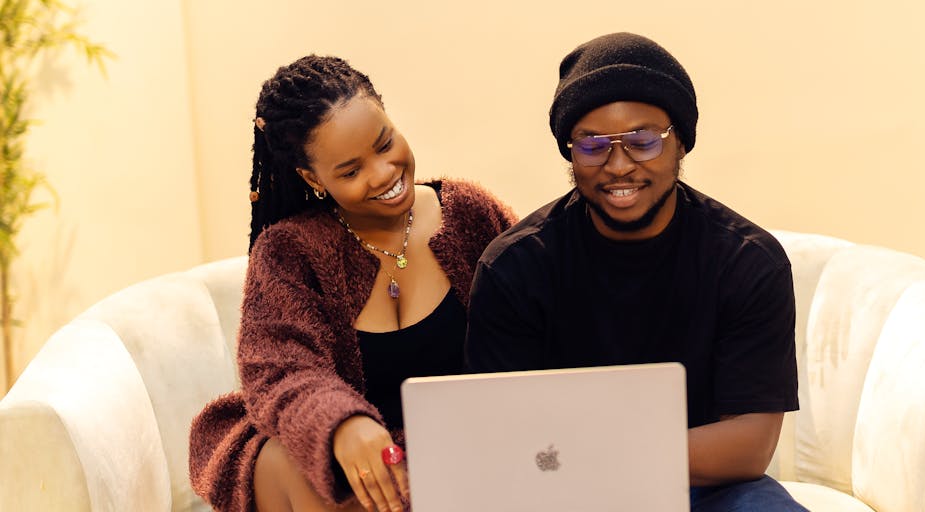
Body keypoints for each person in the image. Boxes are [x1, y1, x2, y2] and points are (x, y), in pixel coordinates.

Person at [464, 33, 807, 511]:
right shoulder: (515, 267)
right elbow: (501, 434)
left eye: (644, 141)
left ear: (680, 143)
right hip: (565, 488)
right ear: (570, 152)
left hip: (708, 486)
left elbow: (748, 448)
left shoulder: (747, 262)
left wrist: (596, 449)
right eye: (594, 145)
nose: (619, 166)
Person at [189, 55, 516, 512]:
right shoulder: (291, 250)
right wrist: (341, 425)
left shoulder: (469, 214)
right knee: (317, 473)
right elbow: (281, 366)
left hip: (459, 446)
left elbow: (538, 309)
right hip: (334, 464)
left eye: (385, 144)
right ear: (312, 178)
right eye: (350, 170)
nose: (383, 173)